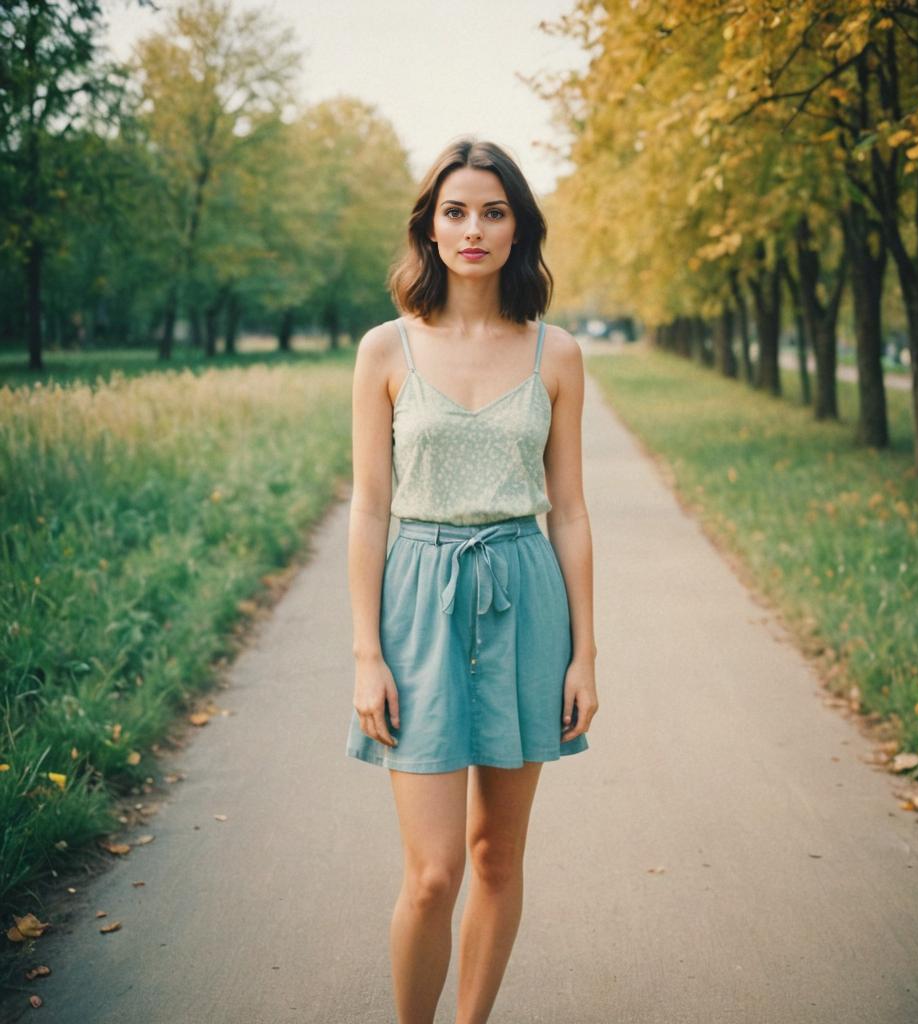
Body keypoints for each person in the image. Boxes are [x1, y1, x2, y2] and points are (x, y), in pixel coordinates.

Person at [345, 136, 599, 1024]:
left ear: (518, 227)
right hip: (417, 598)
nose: (474, 229)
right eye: (456, 211)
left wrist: (585, 654)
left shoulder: (556, 354)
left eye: (494, 211)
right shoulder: (386, 350)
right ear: (431, 227)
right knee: (433, 872)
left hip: (525, 599)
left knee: (497, 856)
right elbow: (370, 509)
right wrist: (366, 652)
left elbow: (568, 510)